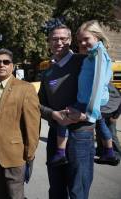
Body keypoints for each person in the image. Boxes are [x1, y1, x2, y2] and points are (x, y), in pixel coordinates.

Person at [39, 24, 95, 199]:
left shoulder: (84, 61)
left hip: (81, 136)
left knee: (78, 191)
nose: (59, 42)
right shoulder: (48, 71)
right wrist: (52, 114)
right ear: (49, 42)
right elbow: (39, 105)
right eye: (55, 39)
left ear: (70, 40)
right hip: (56, 135)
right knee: (56, 191)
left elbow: (108, 96)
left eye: (63, 38)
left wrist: (85, 115)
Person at [50, 20, 117, 166]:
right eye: (80, 41)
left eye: (86, 39)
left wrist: (89, 114)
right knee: (102, 125)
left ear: (97, 36)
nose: (83, 44)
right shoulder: (91, 55)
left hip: (87, 102)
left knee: (63, 116)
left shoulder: (99, 55)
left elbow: (98, 84)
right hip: (87, 101)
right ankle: (109, 152)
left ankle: (60, 153)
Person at [0, 48, 40, 199]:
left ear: (12, 66)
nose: (1, 65)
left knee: (15, 195)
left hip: (15, 155)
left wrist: (29, 155)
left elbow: (32, 127)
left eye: (6, 62)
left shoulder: (25, 89)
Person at [95, 83, 121, 164]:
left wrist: (116, 115)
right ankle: (101, 151)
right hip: (104, 111)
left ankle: (116, 153)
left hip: (111, 114)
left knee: (112, 134)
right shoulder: (103, 85)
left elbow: (119, 101)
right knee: (100, 132)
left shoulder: (112, 88)